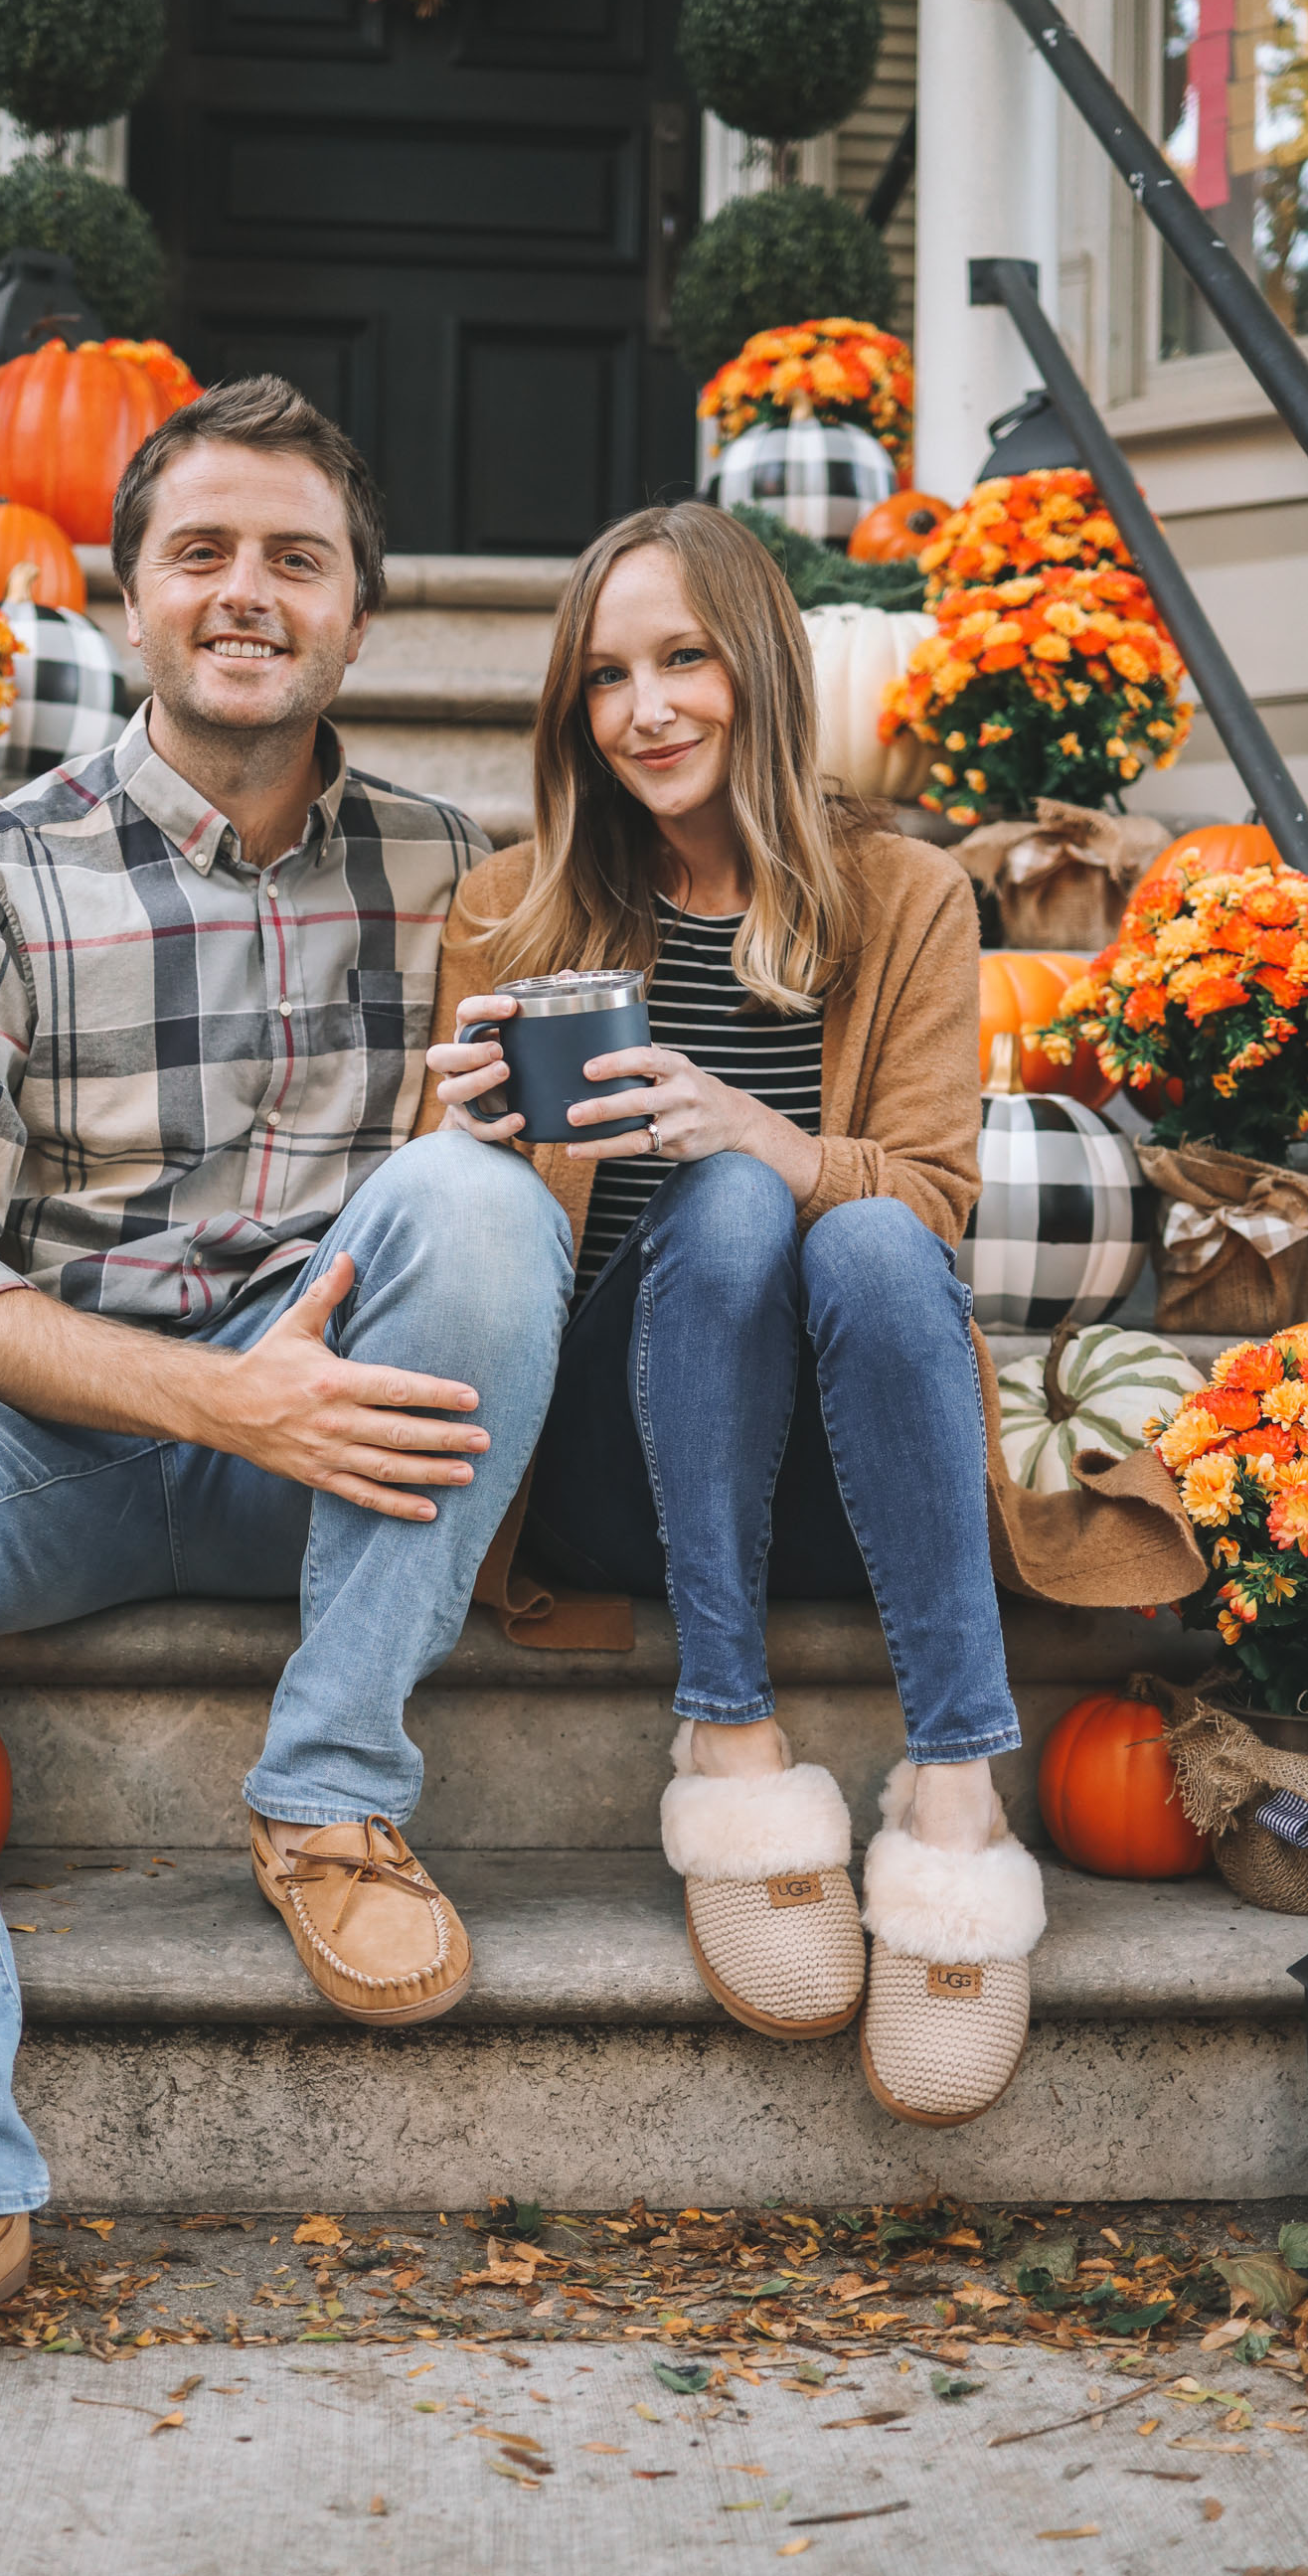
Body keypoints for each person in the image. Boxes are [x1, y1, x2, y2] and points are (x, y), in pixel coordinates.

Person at [0, 377, 573, 2429]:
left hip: (344, 1459)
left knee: (474, 1200)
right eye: (203, 551)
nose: (249, 593)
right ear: (128, 597)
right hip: (65, 1448)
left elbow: (539, 1222)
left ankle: (330, 1788)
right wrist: (219, 1400)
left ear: (358, 613)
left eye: (297, 556)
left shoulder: (466, 872)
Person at [422, 500, 1047, 2133]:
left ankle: (960, 1798)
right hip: (626, 1473)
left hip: (857, 1472)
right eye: (608, 678)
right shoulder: (510, 909)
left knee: (857, 1239)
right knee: (727, 1203)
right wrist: (463, 1155)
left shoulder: (904, 896)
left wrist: (762, 1134)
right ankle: (728, 1738)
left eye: (683, 659)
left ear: (757, 666)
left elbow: (929, 1199)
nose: (647, 711)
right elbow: (458, 1263)